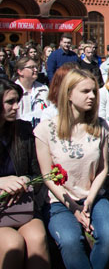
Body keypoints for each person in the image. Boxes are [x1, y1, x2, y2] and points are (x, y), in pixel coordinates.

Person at [34, 68, 109, 269]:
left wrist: (88, 201)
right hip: (59, 201)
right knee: (70, 242)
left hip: (93, 196)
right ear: (68, 94)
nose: (91, 96)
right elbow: (48, 176)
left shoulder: (100, 126)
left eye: (94, 92)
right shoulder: (46, 129)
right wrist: (74, 207)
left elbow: (102, 169)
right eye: (85, 91)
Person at [0, 79, 50, 269]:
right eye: (10, 102)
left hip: (21, 204)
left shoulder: (23, 130)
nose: (16, 106)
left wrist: (25, 181)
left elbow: (37, 173)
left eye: (17, 101)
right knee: (13, 243)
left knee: (37, 239)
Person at [13, 56, 49, 127]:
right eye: (31, 67)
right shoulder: (13, 90)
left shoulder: (43, 88)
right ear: (20, 71)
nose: (35, 70)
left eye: (36, 67)